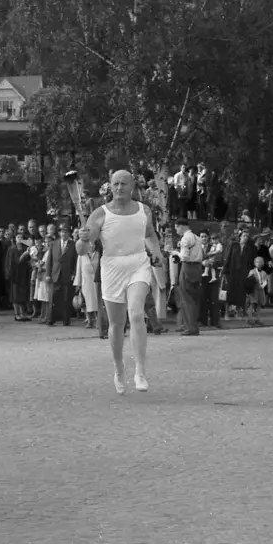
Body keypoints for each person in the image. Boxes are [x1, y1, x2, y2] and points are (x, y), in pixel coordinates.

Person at [76, 169, 165, 394]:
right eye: (115, 184)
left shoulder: (144, 210)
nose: (119, 188)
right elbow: (83, 249)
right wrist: (82, 239)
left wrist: (157, 252)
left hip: (138, 264)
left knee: (136, 314)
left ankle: (140, 371)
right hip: (112, 268)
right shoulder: (99, 214)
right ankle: (118, 369)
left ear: (133, 186)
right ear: (110, 186)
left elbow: (150, 234)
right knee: (116, 324)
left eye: (124, 184)